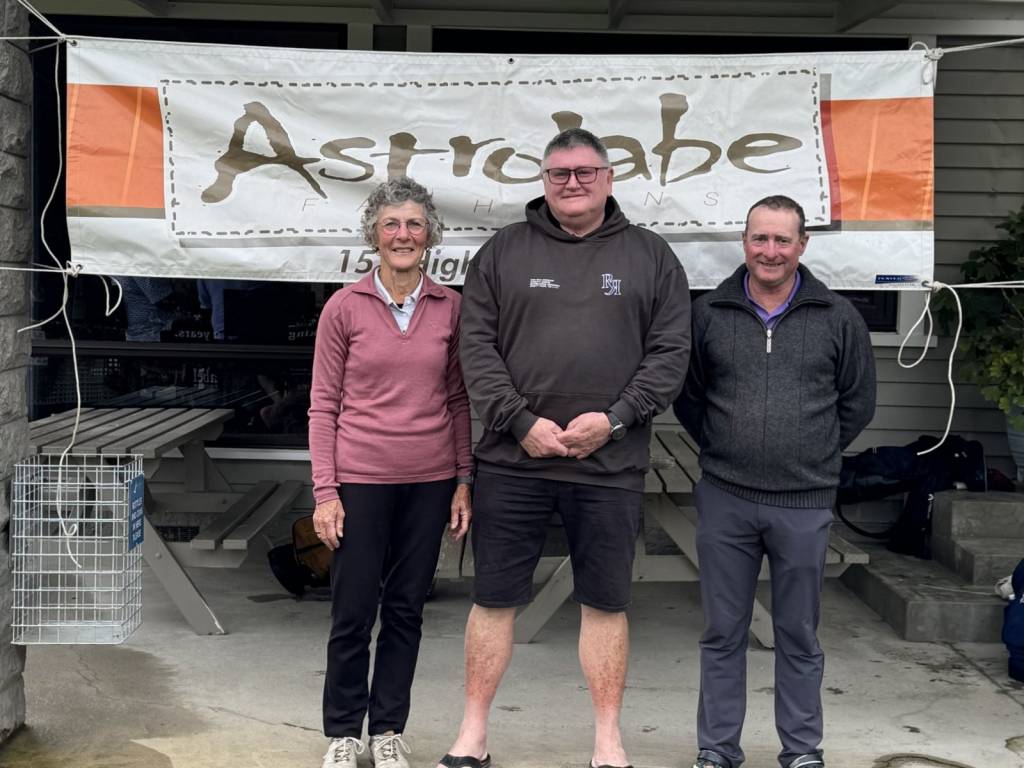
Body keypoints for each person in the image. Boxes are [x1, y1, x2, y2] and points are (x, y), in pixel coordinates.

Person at [438, 128, 691, 768]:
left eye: (584, 172)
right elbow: (476, 348)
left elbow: (670, 355)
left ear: (609, 178)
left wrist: (615, 418)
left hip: (608, 462)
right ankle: (472, 735)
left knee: (605, 601)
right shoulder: (502, 252)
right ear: (543, 182)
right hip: (512, 461)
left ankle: (608, 742)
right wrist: (520, 422)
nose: (571, 183)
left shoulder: (651, 257)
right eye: (558, 174)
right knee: (494, 599)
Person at [673, 195, 877, 768]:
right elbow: (690, 398)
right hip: (726, 497)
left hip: (804, 504)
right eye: (759, 238)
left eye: (782, 240)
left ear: (802, 245)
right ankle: (716, 749)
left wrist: (810, 453)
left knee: (798, 635)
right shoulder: (709, 313)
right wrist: (723, 447)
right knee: (722, 633)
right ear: (744, 242)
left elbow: (858, 402)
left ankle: (801, 750)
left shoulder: (838, 317)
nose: (770, 251)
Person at [308, 176, 473, 768]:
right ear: (372, 235)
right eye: (391, 224)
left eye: (414, 224)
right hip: (361, 481)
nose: (403, 235)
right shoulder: (343, 308)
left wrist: (463, 479)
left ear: (430, 235)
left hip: (429, 482)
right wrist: (326, 492)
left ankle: (388, 731)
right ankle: (343, 734)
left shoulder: (450, 307)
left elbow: (459, 401)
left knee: (406, 609)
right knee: (352, 610)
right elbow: (323, 405)